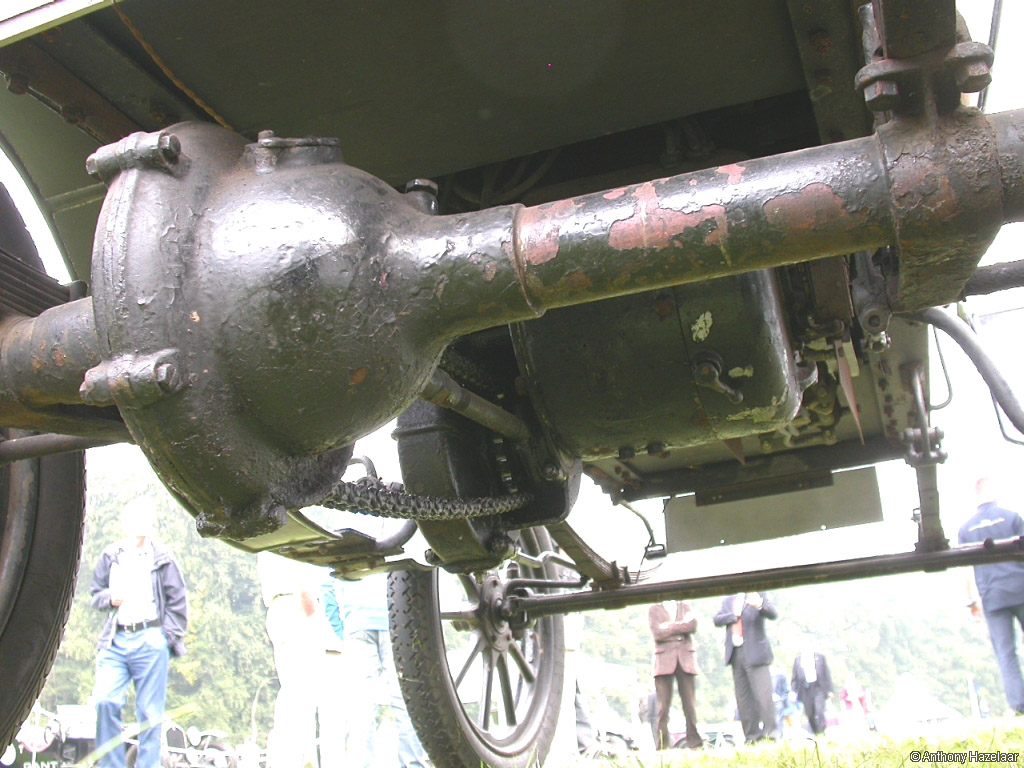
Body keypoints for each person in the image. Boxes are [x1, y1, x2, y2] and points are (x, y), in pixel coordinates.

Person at [90, 498, 188, 768]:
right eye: (135, 519)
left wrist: (166, 639)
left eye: (145, 519)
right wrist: (110, 598)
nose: (140, 525)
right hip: (116, 639)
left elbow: (178, 601)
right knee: (105, 700)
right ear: (126, 523)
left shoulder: (163, 558)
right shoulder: (111, 556)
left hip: (150, 637)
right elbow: (94, 594)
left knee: (149, 712)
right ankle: (110, 765)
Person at [338, 573, 427, 768]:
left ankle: (360, 764)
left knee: (361, 704)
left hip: (356, 621)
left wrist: (342, 627)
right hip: (395, 617)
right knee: (404, 700)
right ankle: (413, 764)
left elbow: (328, 584)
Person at [958, 476, 1024, 714]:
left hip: (993, 597)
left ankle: (1019, 705)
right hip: (1020, 588)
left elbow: (966, 568)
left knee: (1006, 653)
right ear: (993, 492)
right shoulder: (1012, 517)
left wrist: (972, 602)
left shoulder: (966, 530)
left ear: (977, 496)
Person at [257, 552, 328, 768]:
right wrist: (310, 607)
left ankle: (291, 760)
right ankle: (295, 761)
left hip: (281, 605)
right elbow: (297, 558)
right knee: (301, 695)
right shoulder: (285, 521)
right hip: (295, 604)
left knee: (293, 693)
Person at [713, 592, 778, 743]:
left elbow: (772, 613)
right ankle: (752, 737)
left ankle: (771, 735)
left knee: (763, 697)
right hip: (736, 654)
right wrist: (733, 616)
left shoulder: (757, 594)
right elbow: (717, 619)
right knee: (743, 700)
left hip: (756, 654)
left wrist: (759, 605)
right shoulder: (728, 599)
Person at [647, 600, 702, 749]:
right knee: (662, 708)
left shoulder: (685, 606)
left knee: (689, 705)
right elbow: (657, 634)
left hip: (685, 659)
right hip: (664, 661)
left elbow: (692, 626)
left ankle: (695, 743)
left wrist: (669, 627)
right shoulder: (654, 609)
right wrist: (680, 629)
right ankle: (662, 745)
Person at [790, 647, 833, 735]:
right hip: (805, 689)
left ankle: (821, 731)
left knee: (819, 710)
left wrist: (829, 690)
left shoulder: (820, 658)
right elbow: (795, 678)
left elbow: (826, 674)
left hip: (818, 688)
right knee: (809, 713)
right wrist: (793, 691)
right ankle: (816, 731)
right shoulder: (798, 660)